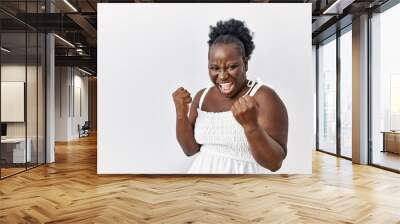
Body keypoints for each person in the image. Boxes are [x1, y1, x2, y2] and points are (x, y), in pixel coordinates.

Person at [172, 19, 288, 174]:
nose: (222, 76)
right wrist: (181, 114)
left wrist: (251, 126)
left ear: (245, 63)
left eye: (231, 67)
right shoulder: (202, 96)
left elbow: (274, 163)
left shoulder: (264, 96)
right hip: (201, 184)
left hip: (244, 190)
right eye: (214, 68)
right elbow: (190, 150)